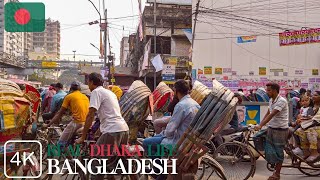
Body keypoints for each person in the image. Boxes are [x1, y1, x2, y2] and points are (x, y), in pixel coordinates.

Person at [75, 73, 129, 179]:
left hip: (112, 130)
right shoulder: (110, 93)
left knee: (96, 160)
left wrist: (82, 137)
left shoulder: (96, 92)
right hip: (123, 129)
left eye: (88, 83)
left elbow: (90, 115)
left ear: (91, 82)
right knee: (111, 163)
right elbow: (110, 113)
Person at [143, 80, 200, 155]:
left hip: (179, 142)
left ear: (176, 91)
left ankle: (159, 165)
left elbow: (170, 130)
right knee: (157, 138)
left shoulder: (181, 105)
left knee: (146, 143)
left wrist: (163, 135)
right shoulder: (195, 104)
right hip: (188, 141)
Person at [254, 83, 289, 180]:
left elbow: (272, 114)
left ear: (274, 90)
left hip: (280, 130)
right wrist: (260, 124)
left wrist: (261, 125)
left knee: (279, 152)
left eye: (269, 90)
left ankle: (277, 173)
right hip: (271, 128)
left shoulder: (282, 101)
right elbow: (268, 112)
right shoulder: (271, 100)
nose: (266, 92)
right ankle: (273, 161)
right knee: (257, 137)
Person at [43, 81, 89, 146]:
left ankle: (59, 155)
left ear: (71, 89)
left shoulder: (69, 96)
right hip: (86, 122)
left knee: (60, 143)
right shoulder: (85, 97)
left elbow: (59, 113)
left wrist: (48, 124)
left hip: (76, 123)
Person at [294, 91, 320, 162]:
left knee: (310, 131)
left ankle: (315, 152)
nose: (313, 96)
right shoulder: (313, 107)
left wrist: (305, 125)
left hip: (317, 125)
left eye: (316, 95)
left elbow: (316, 120)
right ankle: (305, 151)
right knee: (299, 131)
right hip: (312, 124)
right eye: (313, 95)